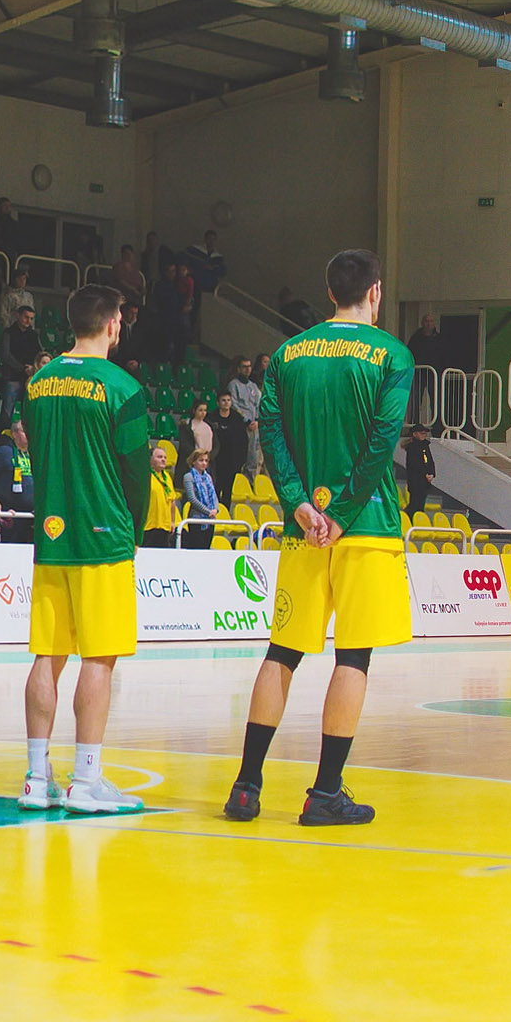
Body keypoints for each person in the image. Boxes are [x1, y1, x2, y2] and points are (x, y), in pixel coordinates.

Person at [229, 251, 411, 826]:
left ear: (330, 292)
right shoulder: (392, 355)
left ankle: (245, 787)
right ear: (375, 292)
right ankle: (325, 793)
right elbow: (383, 440)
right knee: (353, 656)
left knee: (281, 652)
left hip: (302, 529)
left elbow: (271, 434)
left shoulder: (287, 354)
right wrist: (346, 511)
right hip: (367, 527)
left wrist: (298, 502)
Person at [15, 284, 150, 816]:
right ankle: (86, 780)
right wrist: (133, 530)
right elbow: (135, 472)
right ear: (113, 325)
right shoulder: (123, 387)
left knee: (46, 655)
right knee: (98, 657)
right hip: (103, 535)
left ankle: (35, 777)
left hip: (52, 534)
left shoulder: (39, 382)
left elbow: (37, 451)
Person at [181, 447, 223, 549]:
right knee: (197, 546)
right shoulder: (188, 477)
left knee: (206, 547)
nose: (204, 463)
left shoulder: (208, 477)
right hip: (196, 518)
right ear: (193, 461)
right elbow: (192, 499)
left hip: (210, 520)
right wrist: (208, 511)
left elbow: (213, 495)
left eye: (206, 460)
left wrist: (215, 509)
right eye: (201, 460)